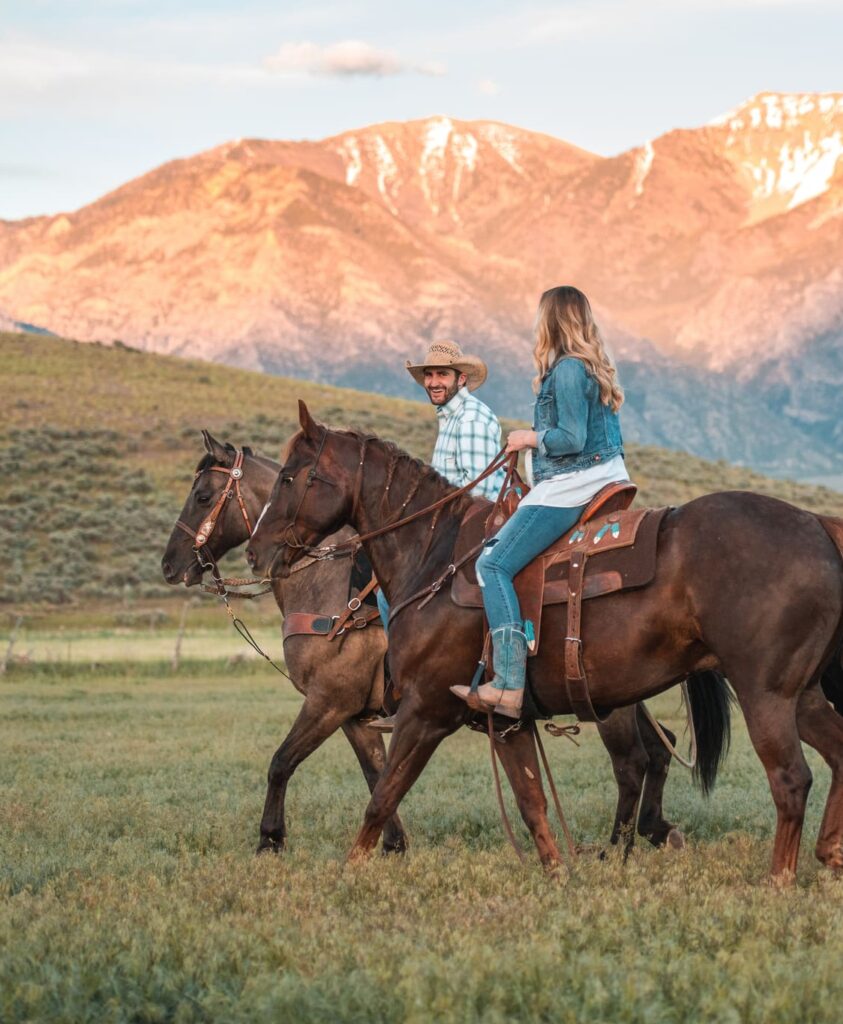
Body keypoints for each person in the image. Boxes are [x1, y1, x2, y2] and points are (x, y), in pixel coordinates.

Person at [451, 286, 629, 718]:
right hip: (596, 477)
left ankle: (509, 683)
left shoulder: (567, 370)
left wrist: (528, 438)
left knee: (492, 564)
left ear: (551, 320)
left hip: (573, 484)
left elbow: (572, 438)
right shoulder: (588, 367)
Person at [370, 340, 506, 731]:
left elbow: (478, 491)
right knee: (387, 589)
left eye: (441, 374)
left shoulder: (473, 420)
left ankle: (465, 677)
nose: (433, 381)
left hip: (476, 525)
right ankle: (409, 686)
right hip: (452, 524)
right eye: (429, 374)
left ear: (460, 378)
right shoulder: (449, 418)